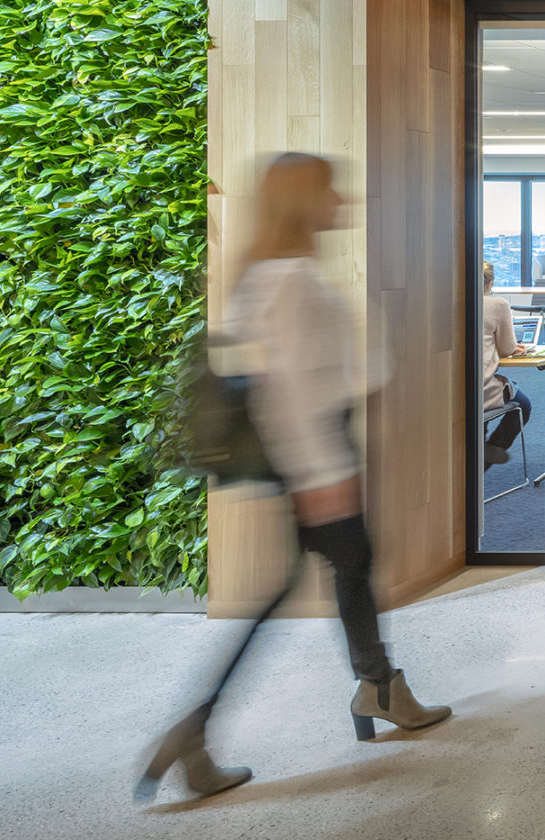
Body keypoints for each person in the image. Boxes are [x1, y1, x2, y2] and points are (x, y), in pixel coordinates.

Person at [137, 153, 449, 805]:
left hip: (312, 453)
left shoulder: (269, 276)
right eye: (330, 190)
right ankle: (200, 728)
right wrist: (321, 473)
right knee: (342, 569)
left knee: (346, 571)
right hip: (319, 453)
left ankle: (377, 687)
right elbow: (293, 396)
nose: (342, 199)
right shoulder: (291, 283)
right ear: (303, 201)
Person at [481, 260, 530, 466]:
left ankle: (479, 451)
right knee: (524, 404)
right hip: (479, 389)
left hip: (441, 389)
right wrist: (513, 347)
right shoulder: (497, 304)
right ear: (489, 284)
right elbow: (506, 349)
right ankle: (492, 450)